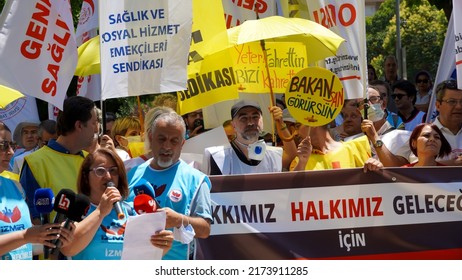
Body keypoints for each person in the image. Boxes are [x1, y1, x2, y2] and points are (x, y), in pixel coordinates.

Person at [127, 111, 212, 260]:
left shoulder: (197, 180)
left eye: (174, 141)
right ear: (151, 138)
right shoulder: (131, 175)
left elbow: (205, 229)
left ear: (182, 144)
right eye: (162, 139)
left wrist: (180, 219)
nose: (167, 146)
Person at [60, 148, 173, 260]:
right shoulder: (77, 209)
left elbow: (146, 256)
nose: (108, 176)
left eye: (113, 171)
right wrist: (100, 212)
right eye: (100, 171)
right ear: (86, 176)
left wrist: (163, 245)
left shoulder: (132, 211)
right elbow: (68, 249)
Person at [20, 96, 98, 225]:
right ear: (79, 125)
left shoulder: (91, 160)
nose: (96, 129)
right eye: (94, 123)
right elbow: (32, 218)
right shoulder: (35, 162)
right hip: (54, 244)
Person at [0, 128, 74, 260]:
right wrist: (25, 236)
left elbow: (24, 246)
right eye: (3, 146)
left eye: (12, 145)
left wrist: (54, 239)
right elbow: (23, 237)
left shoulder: (15, 186)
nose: (11, 152)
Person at [204, 100, 284, 175]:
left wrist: (281, 122)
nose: (250, 123)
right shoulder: (218, 158)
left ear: (262, 122)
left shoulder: (274, 155)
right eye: (244, 118)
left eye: (255, 117)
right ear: (233, 125)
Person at [363, 123, 452, 170]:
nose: (432, 139)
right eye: (426, 136)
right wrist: (377, 170)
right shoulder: (403, 172)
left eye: (437, 137)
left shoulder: (450, 173)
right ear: (413, 143)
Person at [290, 124, 371, 171]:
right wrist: (302, 163)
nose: (295, 133)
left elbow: (372, 184)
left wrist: (376, 167)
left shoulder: (356, 148)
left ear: (313, 123)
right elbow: (291, 191)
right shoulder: (299, 161)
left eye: (298, 125)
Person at [124, 106, 174, 172]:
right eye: (162, 136)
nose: (167, 144)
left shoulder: (187, 169)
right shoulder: (129, 168)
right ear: (149, 134)